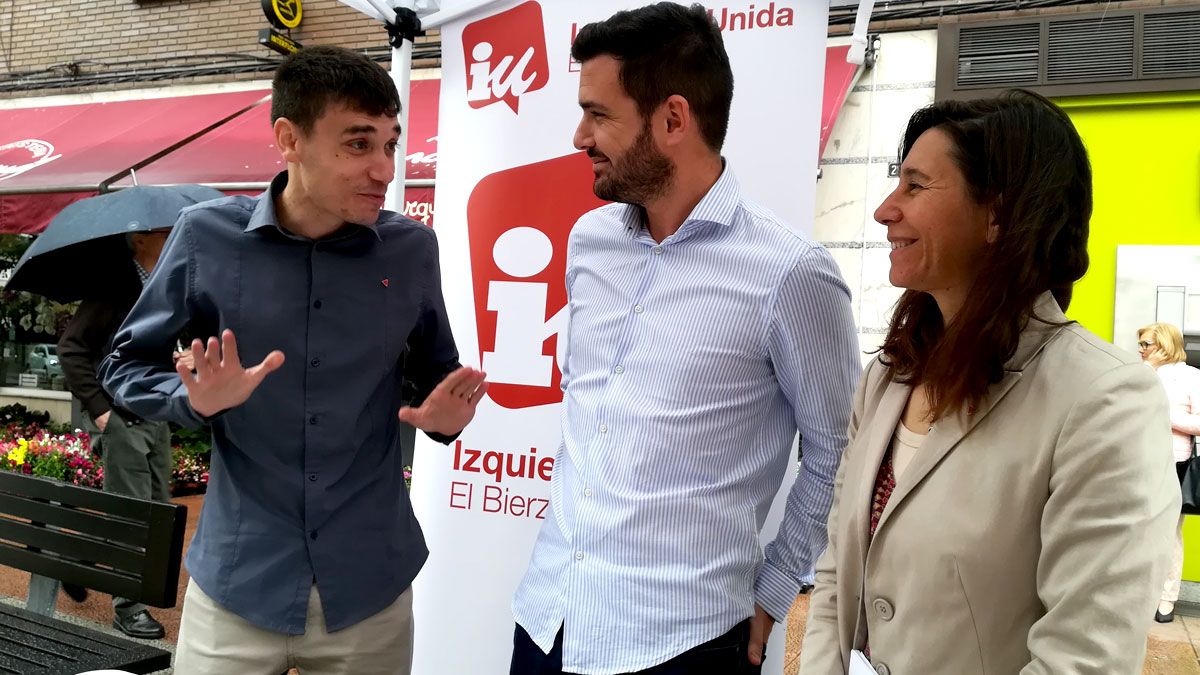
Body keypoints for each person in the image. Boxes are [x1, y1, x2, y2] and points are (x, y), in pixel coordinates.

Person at [99, 45, 486, 675]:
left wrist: (446, 414)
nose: (385, 169)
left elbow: (436, 378)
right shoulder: (205, 238)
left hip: (369, 589)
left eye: (391, 144)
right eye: (358, 144)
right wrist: (191, 401)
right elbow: (122, 367)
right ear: (289, 139)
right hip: (238, 585)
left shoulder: (411, 251)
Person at [510, 4, 861, 674]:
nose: (579, 134)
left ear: (673, 119)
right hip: (548, 620)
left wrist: (777, 587)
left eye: (599, 113)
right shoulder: (588, 244)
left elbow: (837, 447)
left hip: (683, 644)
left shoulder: (791, 273)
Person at [800, 90, 1178, 674]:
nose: (883, 210)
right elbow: (834, 579)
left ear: (998, 214)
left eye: (915, 186)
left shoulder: (1103, 398)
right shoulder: (886, 377)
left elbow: (1082, 658)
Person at [57, 228, 182, 639]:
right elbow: (71, 348)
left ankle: (75, 560)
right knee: (133, 515)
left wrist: (174, 359)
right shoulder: (114, 287)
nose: (173, 236)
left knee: (160, 510)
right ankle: (128, 608)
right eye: (165, 231)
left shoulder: (161, 283)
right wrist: (101, 412)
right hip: (121, 419)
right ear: (140, 238)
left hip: (154, 414)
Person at [1138, 321, 1200, 624]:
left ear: (1164, 344)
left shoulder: (1191, 377)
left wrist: (1161, 410)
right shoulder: (1139, 374)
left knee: (1169, 533)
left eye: (1146, 344)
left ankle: (1166, 600)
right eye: (1140, 344)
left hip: (1174, 464)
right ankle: (1138, 596)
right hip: (1136, 461)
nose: (1141, 350)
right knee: (1135, 531)